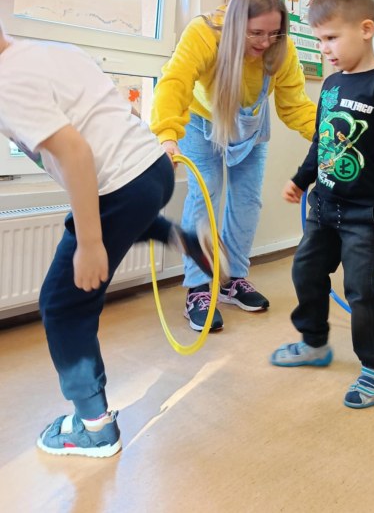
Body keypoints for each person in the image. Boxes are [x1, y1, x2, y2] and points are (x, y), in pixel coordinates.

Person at [0, 23, 215, 458]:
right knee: (122, 220)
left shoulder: (5, 83)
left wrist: (91, 243)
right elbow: (116, 116)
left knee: (62, 305)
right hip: (153, 169)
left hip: (119, 186)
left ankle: (94, 426)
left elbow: (76, 153)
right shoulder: (46, 50)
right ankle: (176, 235)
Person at [270, 0, 374, 409]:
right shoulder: (332, 86)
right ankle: (314, 342)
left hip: (364, 215)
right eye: (319, 40)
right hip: (323, 207)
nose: (325, 49)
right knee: (305, 273)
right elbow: (322, 143)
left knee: (363, 291)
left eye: (331, 37)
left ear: (366, 29)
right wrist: (301, 178)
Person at [150, 0, 316, 333]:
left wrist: (329, 136)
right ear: (236, 23)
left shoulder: (281, 50)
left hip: (250, 126)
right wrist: (167, 134)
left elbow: (295, 106)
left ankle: (232, 280)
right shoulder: (204, 33)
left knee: (247, 201)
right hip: (200, 122)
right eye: (255, 33)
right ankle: (199, 287)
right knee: (204, 196)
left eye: (273, 33)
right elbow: (174, 82)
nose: (264, 42)